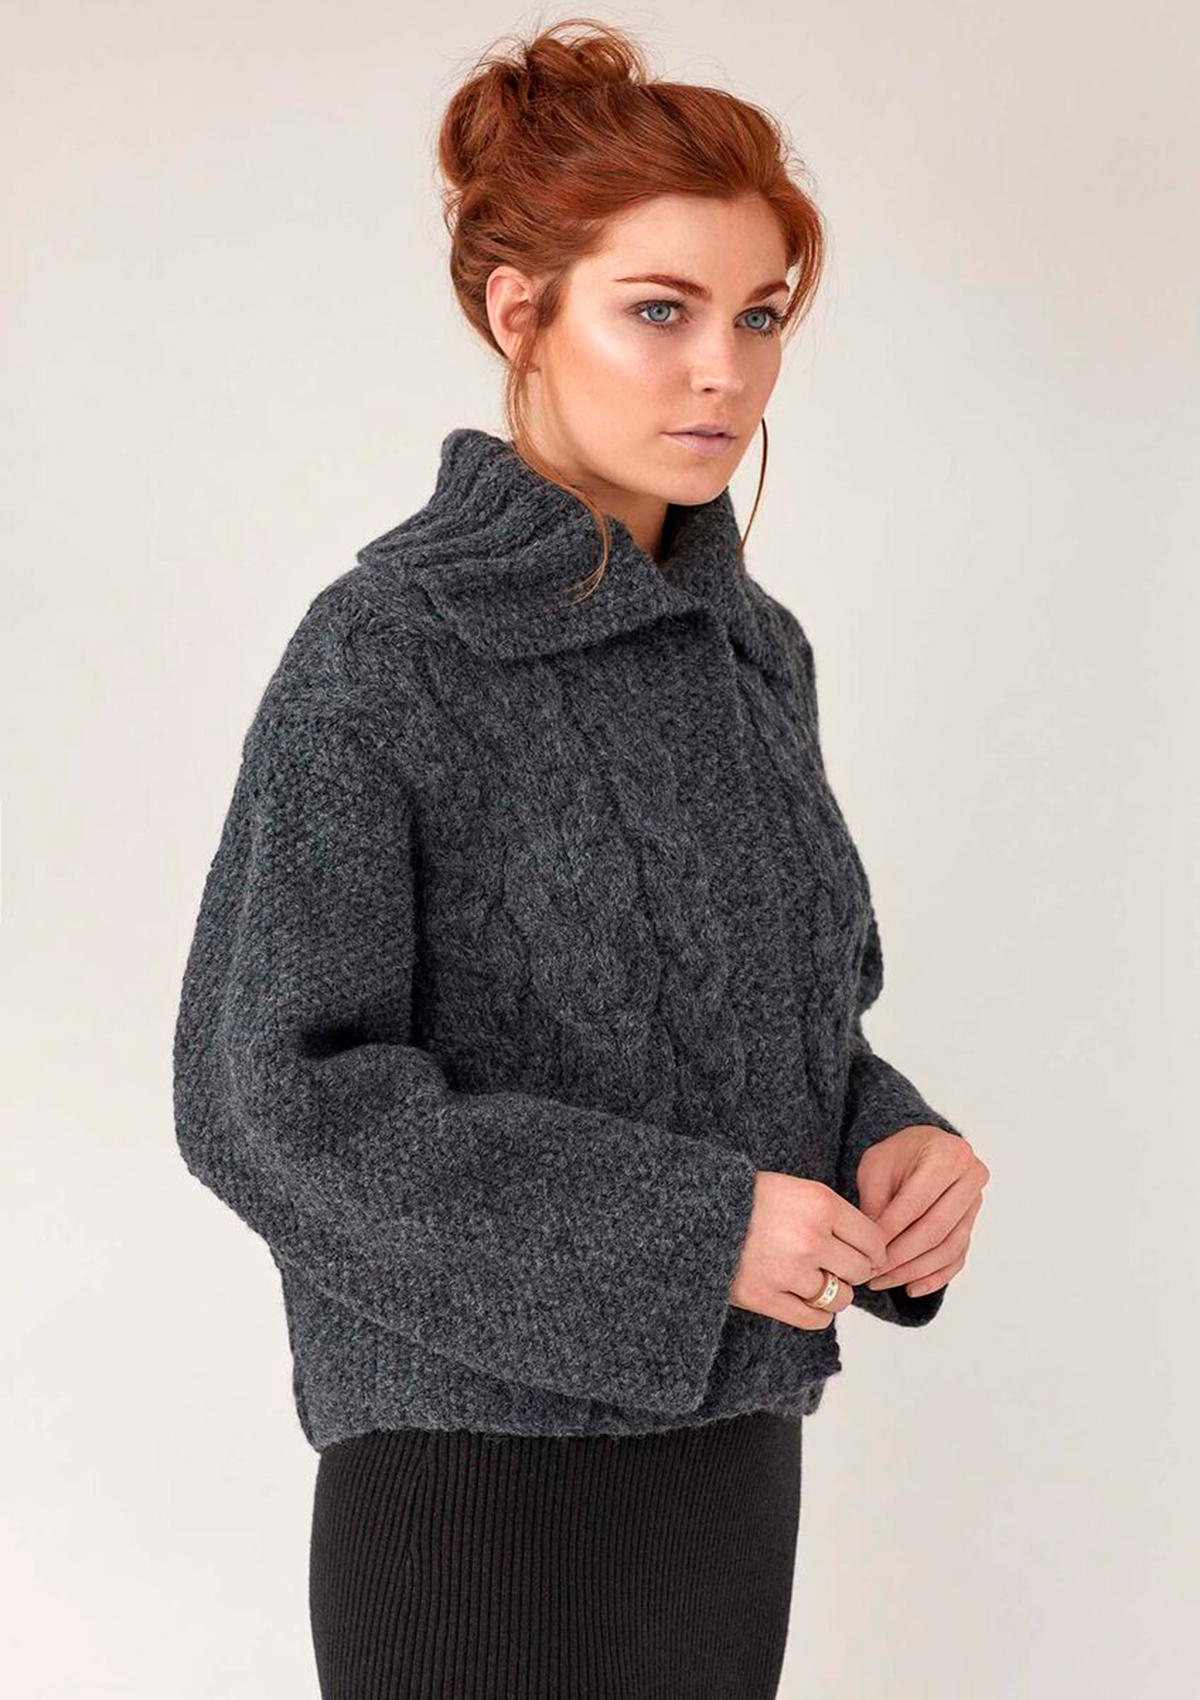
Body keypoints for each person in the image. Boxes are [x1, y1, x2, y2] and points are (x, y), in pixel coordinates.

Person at [172, 18, 989, 1699]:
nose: (725, 373)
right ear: (517, 312)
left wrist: (889, 1139)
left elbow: (773, 1017)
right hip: (474, 1478)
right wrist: (693, 1234)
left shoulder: (754, 653)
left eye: (760, 316)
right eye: (660, 310)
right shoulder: (388, 650)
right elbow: (263, 1100)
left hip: (731, 1460)